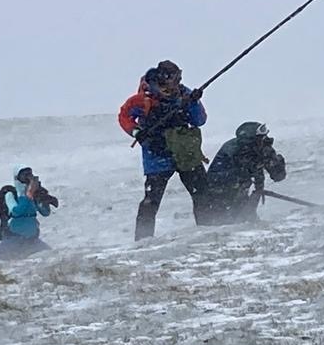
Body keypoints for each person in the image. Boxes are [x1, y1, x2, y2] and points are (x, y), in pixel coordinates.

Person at [117, 60, 210, 240]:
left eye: (179, 78)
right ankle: (143, 241)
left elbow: (200, 120)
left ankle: (208, 231)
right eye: (174, 78)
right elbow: (124, 116)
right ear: (163, 78)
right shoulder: (143, 99)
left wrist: (194, 103)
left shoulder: (186, 95)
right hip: (157, 155)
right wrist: (136, 132)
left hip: (185, 153)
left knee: (203, 193)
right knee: (151, 201)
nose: (177, 83)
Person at [205, 121, 287, 223]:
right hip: (220, 190)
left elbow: (278, 176)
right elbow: (247, 170)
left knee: (245, 219)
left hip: (238, 189)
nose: (264, 140)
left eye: (264, 137)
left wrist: (276, 163)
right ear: (251, 140)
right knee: (226, 221)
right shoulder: (234, 149)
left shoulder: (263, 149)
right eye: (261, 138)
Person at [0, 166, 58, 260]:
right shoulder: (10, 194)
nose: (27, 178)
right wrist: (28, 195)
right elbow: (16, 211)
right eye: (23, 175)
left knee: (52, 257)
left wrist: (43, 199)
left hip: (32, 239)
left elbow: (45, 213)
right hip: (14, 239)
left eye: (29, 174)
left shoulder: (34, 194)